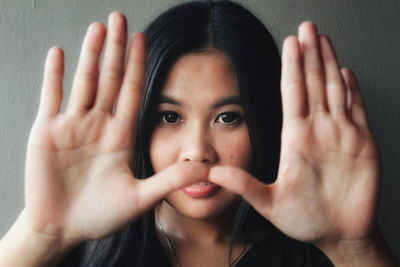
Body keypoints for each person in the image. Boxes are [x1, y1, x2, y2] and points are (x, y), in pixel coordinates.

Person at [0, 1, 398, 266]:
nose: (197, 151)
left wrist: (354, 249)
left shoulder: (315, 250)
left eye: (228, 117)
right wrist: (40, 233)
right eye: (170, 117)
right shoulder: (78, 244)